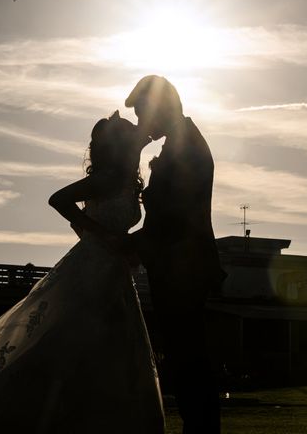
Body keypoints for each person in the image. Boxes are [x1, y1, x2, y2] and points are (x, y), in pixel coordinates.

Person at [0, 112, 164, 434]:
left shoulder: (124, 176)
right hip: (93, 267)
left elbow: (143, 139)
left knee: (107, 345)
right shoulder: (108, 178)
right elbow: (58, 199)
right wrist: (103, 235)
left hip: (114, 269)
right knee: (68, 340)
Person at [125, 75, 225, 434]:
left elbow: (174, 219)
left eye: (141, 116)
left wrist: (128, 245)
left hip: (182, 269)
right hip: (178, 267)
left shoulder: (186, 150)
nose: (141, 125)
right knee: (186, 360)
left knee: (189, 361)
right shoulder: (180, 145)